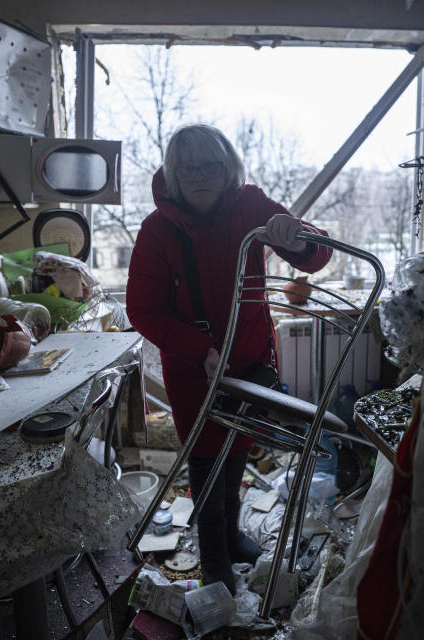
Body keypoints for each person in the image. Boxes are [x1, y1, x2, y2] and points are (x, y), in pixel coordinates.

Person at [126, 124, 333, 594]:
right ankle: (214, 556)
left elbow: (316, 257)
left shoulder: (250, 205)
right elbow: (141, 309)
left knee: (239, 447)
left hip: (251, 355)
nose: (199, 176)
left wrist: (296, 236)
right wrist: (201, 351)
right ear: (172, 174)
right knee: (206, 459)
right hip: (193, 368)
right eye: (187, 168)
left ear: (228, 169)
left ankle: (233, 536)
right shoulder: (157, 230)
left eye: (210, 165)